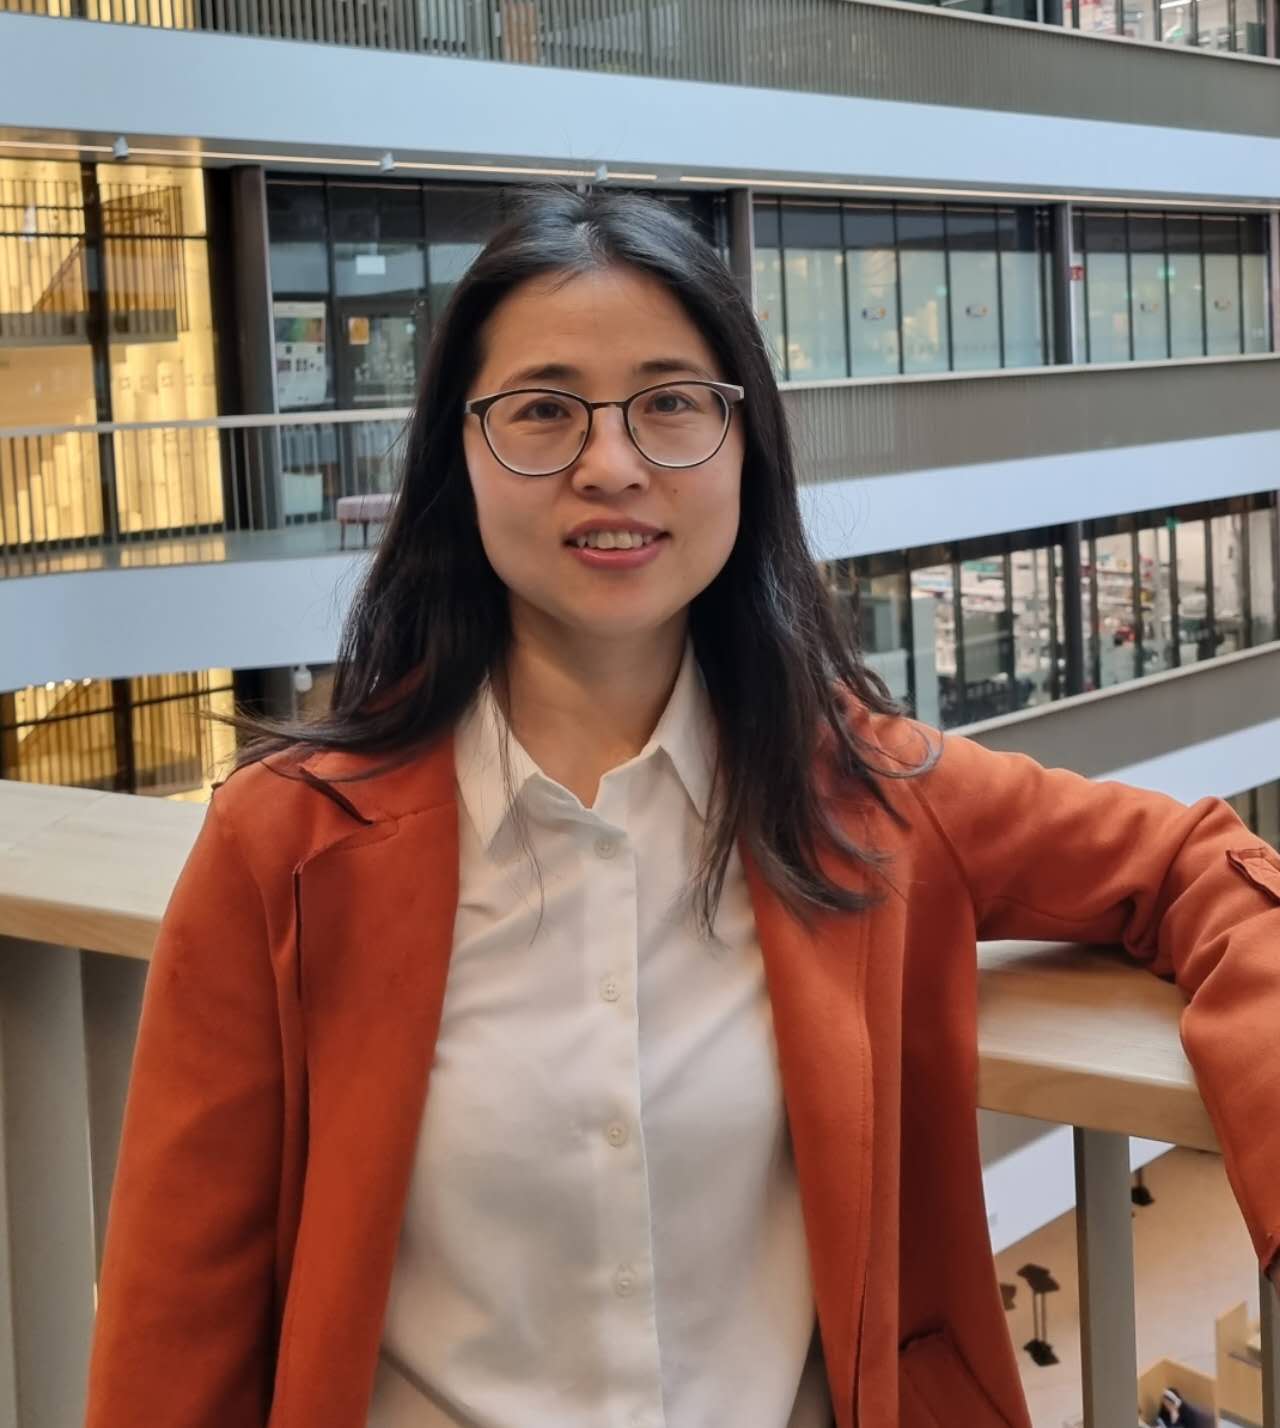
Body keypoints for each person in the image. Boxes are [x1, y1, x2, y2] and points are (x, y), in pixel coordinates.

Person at [84, 189, 1280, 1428]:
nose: (611, 466)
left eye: (669, 403)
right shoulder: (281, 848)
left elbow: (1199, 867)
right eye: (542, 410)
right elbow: (174, 1343)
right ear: (457, 457)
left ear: (743, 442)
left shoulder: (870, 797)